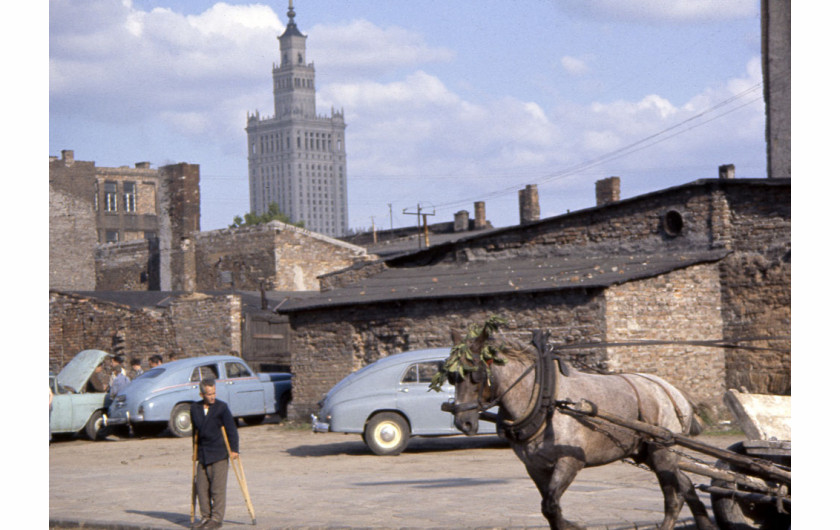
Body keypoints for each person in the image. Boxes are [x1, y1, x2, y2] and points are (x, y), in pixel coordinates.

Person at [190, 379, 239, 529]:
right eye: (209, 394)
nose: (212, 396)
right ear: (202, 394)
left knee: (217, 489)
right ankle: (205, 516)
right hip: (203, 453)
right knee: (201, 488)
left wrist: (234, 449)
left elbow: (231, 430)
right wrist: (195, 451)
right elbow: (195, 433)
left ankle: (216, 518)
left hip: (219, 452)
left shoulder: (221, 407)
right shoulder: (195, 408)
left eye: (214, 393)